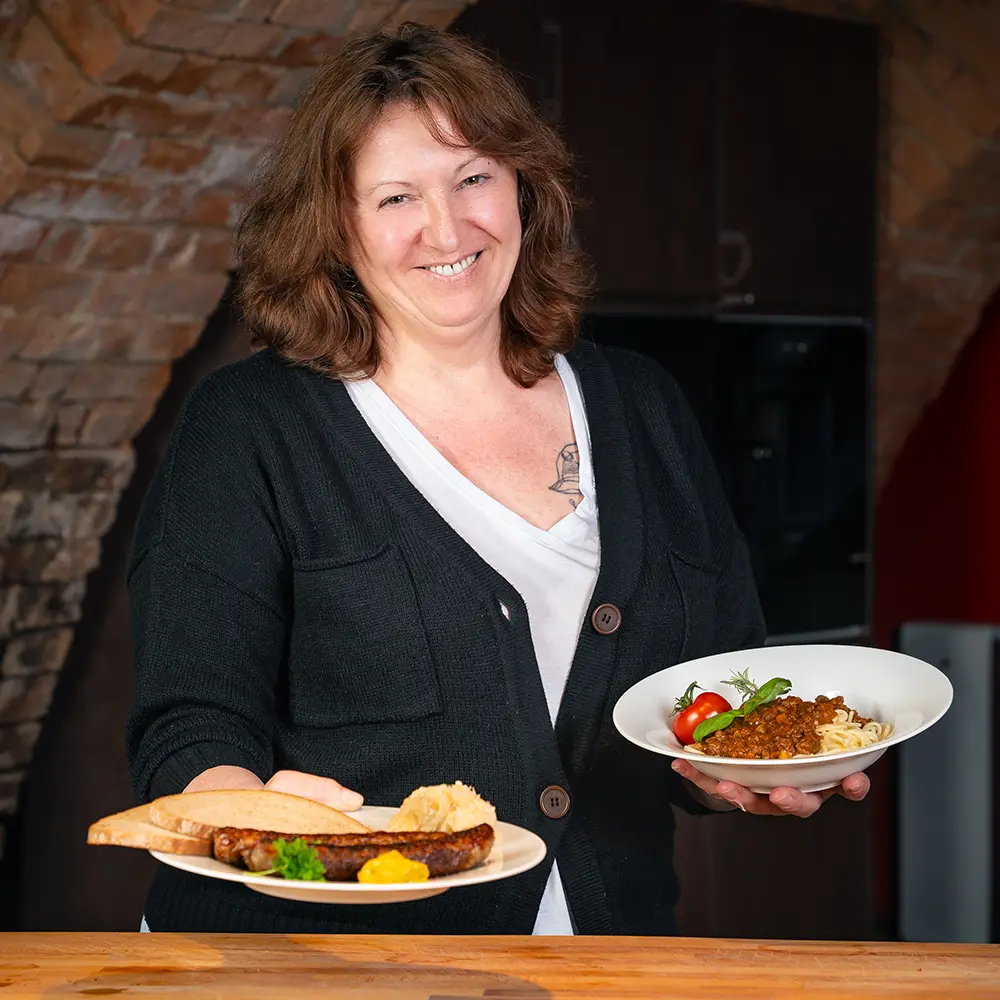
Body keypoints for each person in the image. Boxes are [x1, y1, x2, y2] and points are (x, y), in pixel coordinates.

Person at [126, 21, 869, 936]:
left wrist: (749, 778)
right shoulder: (251, 428)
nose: (448, 228)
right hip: (325, 967)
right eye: (396, 196)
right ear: (336, 228)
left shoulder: (642, 407)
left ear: (524, 187)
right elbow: (189, 721)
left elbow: (709, 699)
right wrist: (253, 816)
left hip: (602, 958)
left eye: (474, 177)